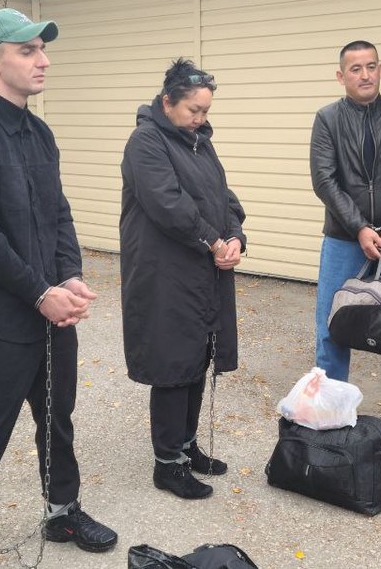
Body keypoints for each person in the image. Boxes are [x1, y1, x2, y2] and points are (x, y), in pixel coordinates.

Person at [0, 8, 117, 568]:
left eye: (42, 49)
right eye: (28, 50)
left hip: (52, 310)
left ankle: (62, 511)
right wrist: (40, 293)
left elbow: (58, 213)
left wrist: (70, 276)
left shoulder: (39, 133)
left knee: (57, 419)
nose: (44, 61)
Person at [120, 59, 246, 500]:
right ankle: (167, 464)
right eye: (194, 110)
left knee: (197, 357)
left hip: (202, 272)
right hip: (164, 274)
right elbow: (168, 204)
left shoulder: (199, 143)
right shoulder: (146, 142)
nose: (200, 118)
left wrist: (235, 236)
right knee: (173, 363)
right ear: (167, 101)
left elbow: (224, 197)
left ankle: (187, 445)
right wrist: (214, 240)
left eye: (206, 111)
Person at [310, 40, 381, 442]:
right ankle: (331, 409)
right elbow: (325, 180)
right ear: (341, 76)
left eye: (371, 66)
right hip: (344, 239)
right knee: (333, 323)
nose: (365, 75)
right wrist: (360, 227)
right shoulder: (327, 119)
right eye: (356, 68)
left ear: (380, 69)